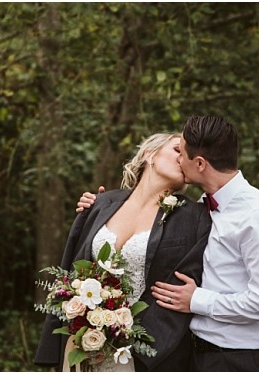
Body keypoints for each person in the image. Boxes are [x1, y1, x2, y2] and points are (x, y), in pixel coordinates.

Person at [78, 116, 259, 371]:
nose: (180, 159)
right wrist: (100, 208)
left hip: (245, 360)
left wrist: (198, 300)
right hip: (198, 357)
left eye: (182, 153)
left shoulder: (257, 216)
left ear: (200, 163)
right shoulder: (202, 209)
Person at [35, 133, 212, 371]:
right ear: (151, 154)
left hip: (143, 355)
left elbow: (179, 291)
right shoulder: (99, 204)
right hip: (82, 343)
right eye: (177, 149)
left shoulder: (194, 218)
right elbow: (71, 269)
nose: (184, 158)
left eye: (189, 154)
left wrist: (133, 346)